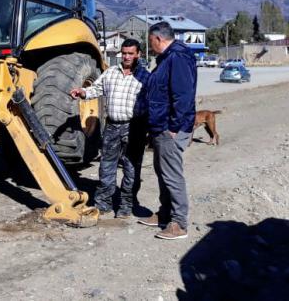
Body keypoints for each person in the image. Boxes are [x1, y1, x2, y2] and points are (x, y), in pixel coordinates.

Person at [70, 38, 149, 219]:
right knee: (106, 166)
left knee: (131, 168)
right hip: (112, 126)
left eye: (131, 53)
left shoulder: (145, 77)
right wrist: (82, 92)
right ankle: (103, 203)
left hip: (134, 127)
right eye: (125, 53)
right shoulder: (111, 72)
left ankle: (126, 205)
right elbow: (96, 89)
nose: (127, 57)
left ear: (138, 54)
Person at [138, 21, 197, 240]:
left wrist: (174, 127)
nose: (149, 45)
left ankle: (179, 223)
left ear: (158, 39)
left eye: (150, 41)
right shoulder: (166, 59)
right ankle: (164, 214)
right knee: (163, 172)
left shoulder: (177, 58)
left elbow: (183, 96)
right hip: (159, 126)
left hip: (169, 128)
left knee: (172, 175)